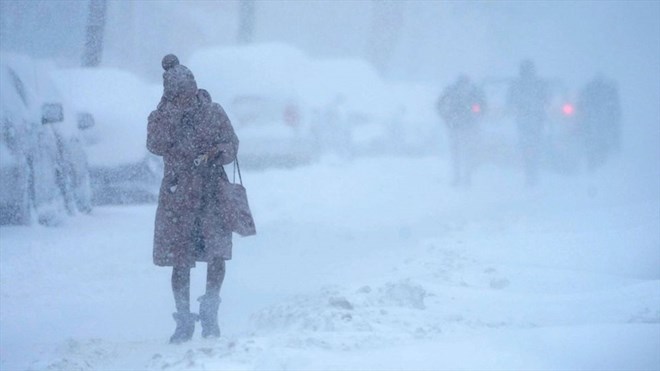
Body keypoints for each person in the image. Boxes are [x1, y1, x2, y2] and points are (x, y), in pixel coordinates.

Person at [147, 54, 239, 343]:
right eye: (178, 95)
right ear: (170, 94)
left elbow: (231, 144)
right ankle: (183, 319)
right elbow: (155, 145)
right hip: (178, 197)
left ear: (194, 87)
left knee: (216, 253)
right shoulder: (161, 117)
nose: (185, 99)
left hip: (212, 193)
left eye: (188, 92)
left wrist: (216, 153)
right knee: (179, 260)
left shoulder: (213, 111)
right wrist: (171, 116)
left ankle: (210, 312)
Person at [437, 75, 486, 187]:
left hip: (456, 126)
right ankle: (464, 177)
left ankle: (459, 177)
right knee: (465, 153)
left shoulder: (452, 92)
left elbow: (440, 105)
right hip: (465, 126)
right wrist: (475, 115)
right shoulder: (472, 93)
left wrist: (446, 117)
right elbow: (478, 107)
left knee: (458, 154)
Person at [507, 59, 550, 186]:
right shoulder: (540, 84)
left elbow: (509, 102)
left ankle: (529, 173)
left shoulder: (516, 85)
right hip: (536, 120)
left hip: (524, 121)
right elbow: (547, 99)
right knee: (534, 146)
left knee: (526, 146)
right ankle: (533, 172)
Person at [576, 74, 621, 170]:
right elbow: (615, 113)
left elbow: (581, 104)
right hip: (598, 126)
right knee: (596, 142)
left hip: (592, 125)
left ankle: (593, 164)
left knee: (591, 142)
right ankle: (597, 164)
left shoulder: (590, 92)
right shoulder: (608, 95)